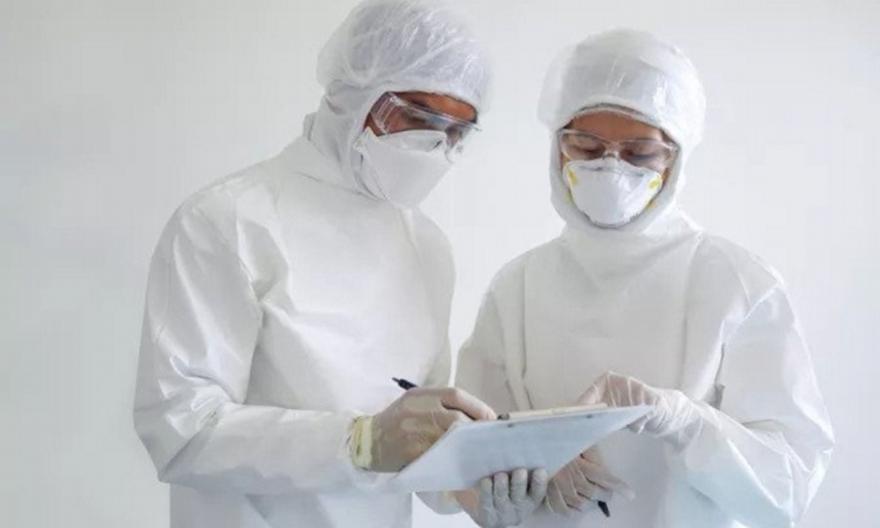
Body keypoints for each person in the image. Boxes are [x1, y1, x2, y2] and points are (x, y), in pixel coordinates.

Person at [133, 1, 545, 527]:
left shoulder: (426, 247)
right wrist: (359, 442)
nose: (436, 147)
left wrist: (478, 489)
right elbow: (181, 430)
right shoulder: (228, 221)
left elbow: (419, 448)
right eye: (419, 119)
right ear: (354, 94)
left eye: (457, 133)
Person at [456, 29, 834, 527]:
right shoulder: (518, 286)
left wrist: (684, 422)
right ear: (557, 147)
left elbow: (789, 486)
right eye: (586, 146)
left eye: (639, 153)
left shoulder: (736, 283)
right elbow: (467, 458)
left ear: (675, 157)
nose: (611, 168)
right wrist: (521, 475)